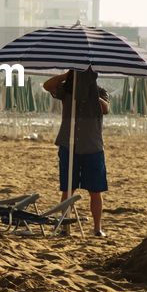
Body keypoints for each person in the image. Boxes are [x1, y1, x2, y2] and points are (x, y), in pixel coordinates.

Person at [43, 68, 110, 237]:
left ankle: (97, 227)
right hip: (69, 144)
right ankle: (65, 226)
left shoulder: (99, 91)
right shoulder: (67, 90)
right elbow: (47, 85)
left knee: (95, 190)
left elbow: (106, 109)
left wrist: (91, 92)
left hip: (92, 146)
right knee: (68, 189)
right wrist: (68, 76)